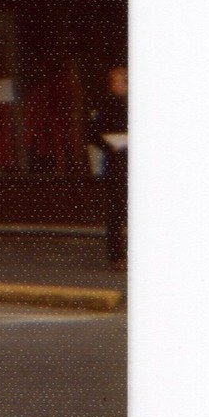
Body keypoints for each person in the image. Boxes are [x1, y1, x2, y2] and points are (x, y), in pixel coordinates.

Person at [87, 64, 128, 270]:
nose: (119, 85)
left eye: (122, 81)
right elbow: (92, 134)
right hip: (117, 162)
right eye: (116, 81)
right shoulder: (105, 105)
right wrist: (109, 145)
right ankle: (117, 256)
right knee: (116, 210)